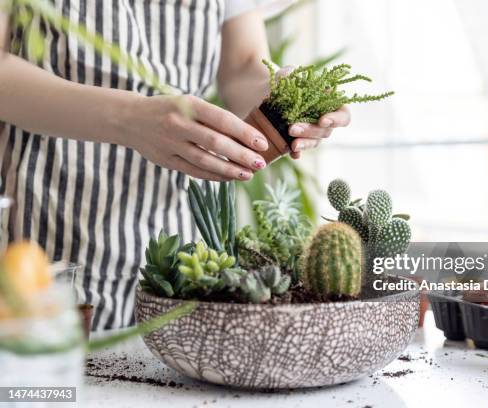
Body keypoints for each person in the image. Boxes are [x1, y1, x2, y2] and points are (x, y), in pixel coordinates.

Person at [0, 0, 350, 330]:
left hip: (173, 247)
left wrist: (284, 96)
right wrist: (128, 118)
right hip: (43, 231)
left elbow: (244, 66)